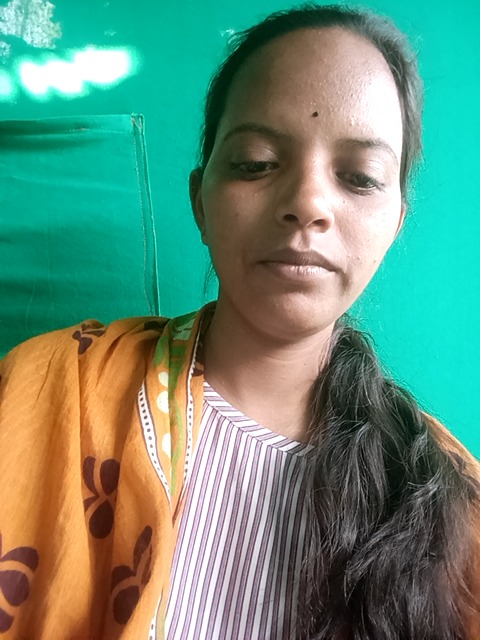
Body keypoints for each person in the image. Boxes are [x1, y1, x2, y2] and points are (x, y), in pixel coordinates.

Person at [0, 4, 479, 639]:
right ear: (200, 201)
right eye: (256, 161)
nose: (308, 203)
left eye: (359, 177)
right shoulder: (47, 389)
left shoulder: (449, 497)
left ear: (394, 224)